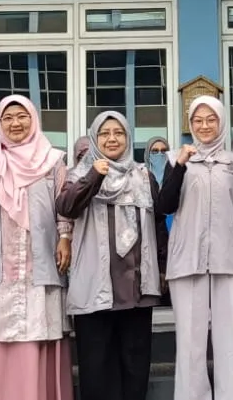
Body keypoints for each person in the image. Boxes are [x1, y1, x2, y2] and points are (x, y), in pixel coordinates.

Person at [0, 95, 74, 400]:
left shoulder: (53, 160)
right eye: (7, 117)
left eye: (22, 116)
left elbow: (63, 205)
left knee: (36, 332)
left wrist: (64, 237)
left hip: (38, 260)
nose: (15, 123)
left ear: (34, 119)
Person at [58, 112, 166, 400]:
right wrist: (95, 175)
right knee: (96, 371)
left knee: (135, 368)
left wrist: (162, 267)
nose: (112, 139)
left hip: (136, 289)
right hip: (95, 287)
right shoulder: (79, 174)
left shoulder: (143, 175)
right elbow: (66, 207)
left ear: (128, 138)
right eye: (104, 134)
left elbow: (158, 223)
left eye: (118, 133)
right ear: (95, 139)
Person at [158, 96, 233, 400]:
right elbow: (164, 205)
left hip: (228, 257)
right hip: (187, 259)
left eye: (211, 119)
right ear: (190, 124)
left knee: (231, 339)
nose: (204, 126)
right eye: (198, 120)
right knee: (190, 342)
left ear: (221, 122)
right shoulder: (177, 159)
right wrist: (180, 165)